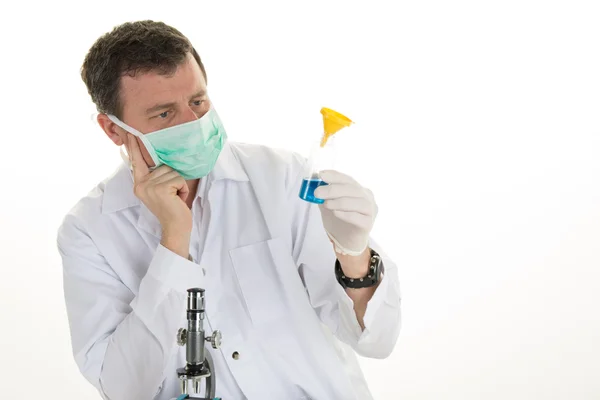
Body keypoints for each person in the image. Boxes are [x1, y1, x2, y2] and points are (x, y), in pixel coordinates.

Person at [57, 20, 401, 400]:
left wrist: (354, 257)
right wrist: (174, 240)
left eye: (198, 102)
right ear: (113, 129)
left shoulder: (281, 178)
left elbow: (377, 340)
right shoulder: (89, 230)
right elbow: (123, 388)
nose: (195, 124)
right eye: (164, 114)